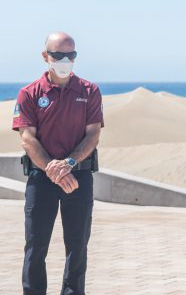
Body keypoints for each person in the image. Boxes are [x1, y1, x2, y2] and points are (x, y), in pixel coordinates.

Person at [13, 32, 104, 295]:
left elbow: (93, 133)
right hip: (42, 180)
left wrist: (70, 162)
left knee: (77, 244)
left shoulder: (89, 91)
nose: (65, 60)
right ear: (45, 57)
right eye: (58, 55)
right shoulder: (29, 94)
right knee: (35, 245)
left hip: (79, 177)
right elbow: (27, 138)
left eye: (70, 55)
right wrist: (54, 170)